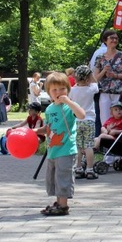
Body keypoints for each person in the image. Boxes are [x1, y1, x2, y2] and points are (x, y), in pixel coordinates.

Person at [35, 72, 85, 216]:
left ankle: (63, 206)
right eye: (54, 90)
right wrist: (35, 131)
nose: (59, 92)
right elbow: (48, 128)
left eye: (62, 89)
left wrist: (69, 102)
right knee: (54, 178)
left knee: (63, 177)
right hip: (53, 150)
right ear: (49, 93)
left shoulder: (70, 107)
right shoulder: (50, 109)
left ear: (68, 89)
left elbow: (81, 115)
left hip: (66, 149)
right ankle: (58, 202)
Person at [94, 30, 122, 126]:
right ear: (105, 40)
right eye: (112, 38)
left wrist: (116, 76)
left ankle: (117, 139)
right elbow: (95, 78)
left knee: (119, 120)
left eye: (116, 38)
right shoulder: (100, 58)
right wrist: (104, 71)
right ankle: (105, 139)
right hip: (104, 93)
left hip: (119, 93)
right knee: (105, 121)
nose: (114, 40)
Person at [69, 65, 100, 180]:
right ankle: (90, 169)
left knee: (77, 145)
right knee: (88, 146)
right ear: (88, 78)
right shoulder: (91, 88)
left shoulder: (72, 90)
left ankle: (78, 168)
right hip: (89, 120)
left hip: (76, 120)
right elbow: (96, 82)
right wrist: (91, 75)